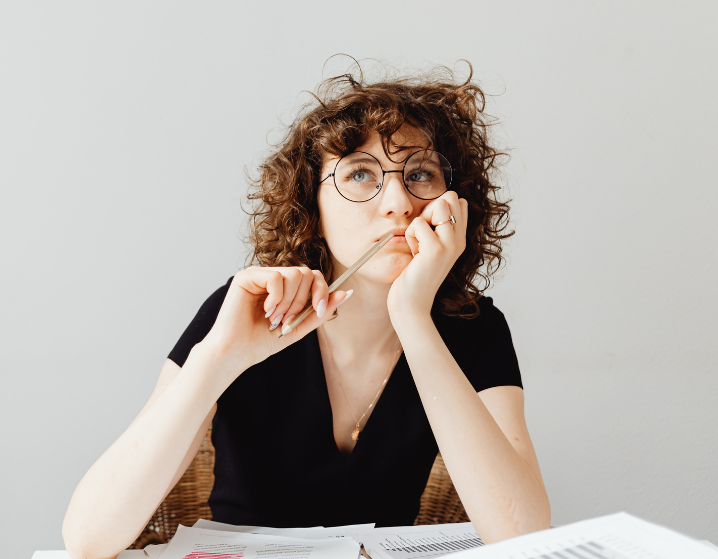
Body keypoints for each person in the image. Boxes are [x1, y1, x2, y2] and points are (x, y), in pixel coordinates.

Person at [62, 65, 551, 559]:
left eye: (420, 173)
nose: (399, 203)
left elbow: (523, 536)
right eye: (360, 173)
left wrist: (413, 318)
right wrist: (221, 357)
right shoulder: (247, 310)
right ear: (312, 211)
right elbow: (87, 539)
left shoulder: (473, 327)